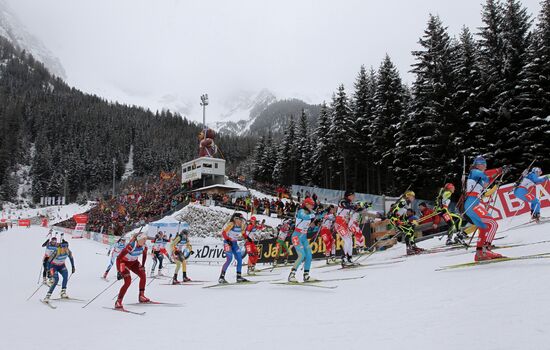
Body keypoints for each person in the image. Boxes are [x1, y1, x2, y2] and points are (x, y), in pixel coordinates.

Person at [464, 156, 507, 261]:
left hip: (473, 203)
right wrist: (498, 170)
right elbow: (484, 175)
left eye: (485, 165)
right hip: (473, 203)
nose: (484, 166)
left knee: (483, 227)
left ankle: (479, 253)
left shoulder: (478, 177)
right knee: (493, 224)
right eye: (482, 164)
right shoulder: (474, 172)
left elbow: (487, 180)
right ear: (477, 165)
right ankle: (485, 249)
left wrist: (498, 174)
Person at [115, 233, 150, 309]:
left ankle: (141, 296)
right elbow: (118, 258)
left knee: (143, 275)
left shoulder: (144, 246)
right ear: (139, 239)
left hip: (134, 263)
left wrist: (143, 265)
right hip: (124, 263)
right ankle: (118, 301)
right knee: (128, 281)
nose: (145, 241)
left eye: (145, 239)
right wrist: (118, 271)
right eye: (144, 239)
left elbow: (145, 255)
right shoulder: (131, 246)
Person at [288, 198, 317, 282]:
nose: (312, 206)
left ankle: (306, 275)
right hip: (296, 236)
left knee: (309, 255)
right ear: (306, 204)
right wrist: (313, 215)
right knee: (301, 255)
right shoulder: (301, 211)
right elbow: (304, 217)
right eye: (311, 204)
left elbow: (311, 224)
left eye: (313, 205)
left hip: (304, 237)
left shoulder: (310, 212)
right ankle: (291, 275)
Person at [389, 190, 424, 255]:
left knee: (412, 228)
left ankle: (413, 246)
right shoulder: (403, 202)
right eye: (412, 196)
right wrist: (396, 221)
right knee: (409, 231)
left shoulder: (406, 203)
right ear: (408, 196)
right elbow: (394, 212)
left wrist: (410, 221)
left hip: (399, 220)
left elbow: (404, 215)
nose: (413, 198)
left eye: (413, 197)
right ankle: (408, 248)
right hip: (394, 220)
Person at [218, 213, 249, 284]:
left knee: (239, 259)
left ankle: (239, 277)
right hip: (227, 243)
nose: (241, 221)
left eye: (242, 219)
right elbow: (224, 233)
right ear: (235, 219)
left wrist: (247, 237)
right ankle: (221, 277)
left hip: (234, 243)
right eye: (240, 219)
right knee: (229, 259)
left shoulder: (242, 225)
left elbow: (243, 233)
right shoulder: (231, 224)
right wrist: (228, 240)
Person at [334, 191, 361, 266]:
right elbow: (345, 205)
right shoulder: (342, 201)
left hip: (344, 224)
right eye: (352, 195)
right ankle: (343, 258)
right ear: (348, 196)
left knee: (350, 241)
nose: (353, 197)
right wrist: (354, 207)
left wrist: (364, 207)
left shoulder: (350, 203)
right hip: (339, 223)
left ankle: (349, 258)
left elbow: (357, 209)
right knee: (347, 240)